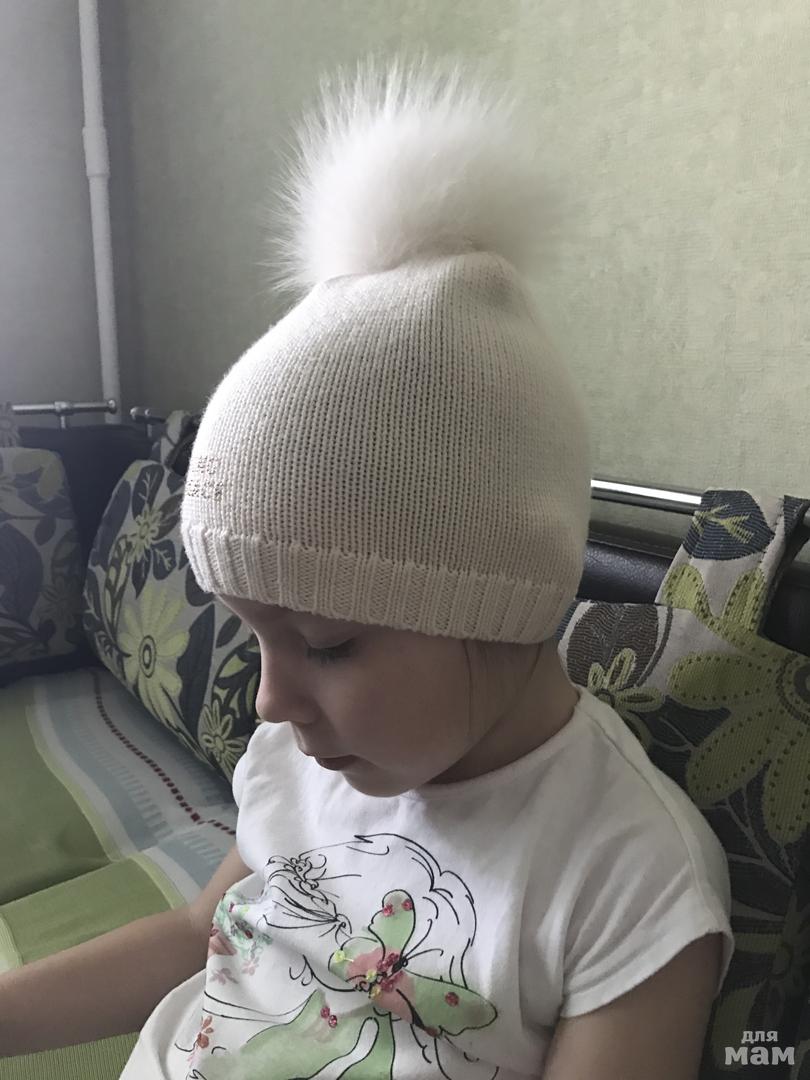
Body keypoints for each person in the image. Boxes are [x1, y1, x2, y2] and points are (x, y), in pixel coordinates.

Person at [0, 52, 734, 1079]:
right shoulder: (300, 761)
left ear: (503, 604)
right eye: (254, 637)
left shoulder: (627, 877)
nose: (268, 701)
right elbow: (199, 939)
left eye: (327, 644)